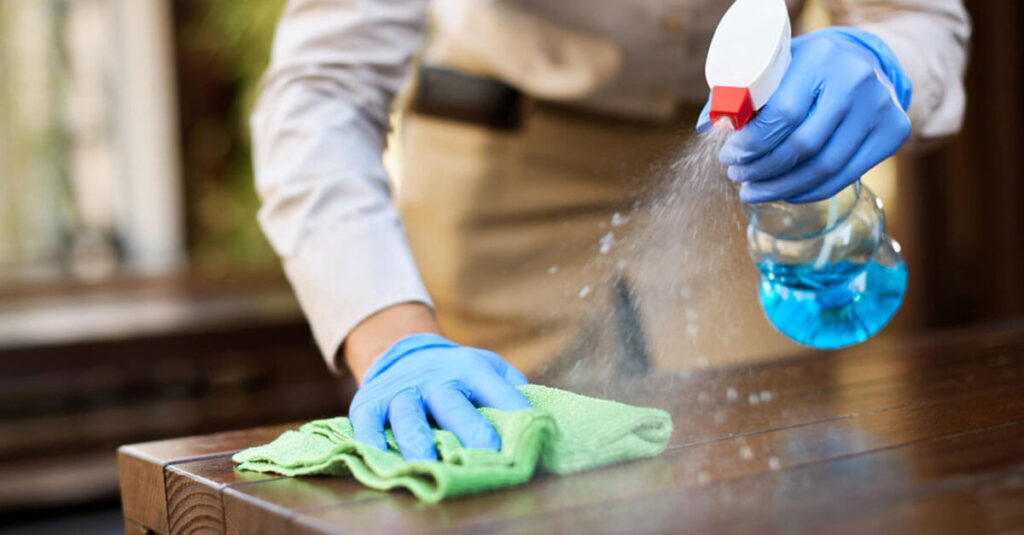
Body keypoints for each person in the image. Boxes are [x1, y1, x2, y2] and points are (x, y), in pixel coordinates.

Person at [253, 0, 970, 460]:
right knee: (506, 461)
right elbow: (319, 94)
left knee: (767, 458)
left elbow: (919, 20)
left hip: (741, 157)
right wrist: (393, 339)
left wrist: (886, 62)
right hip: (503, 169)